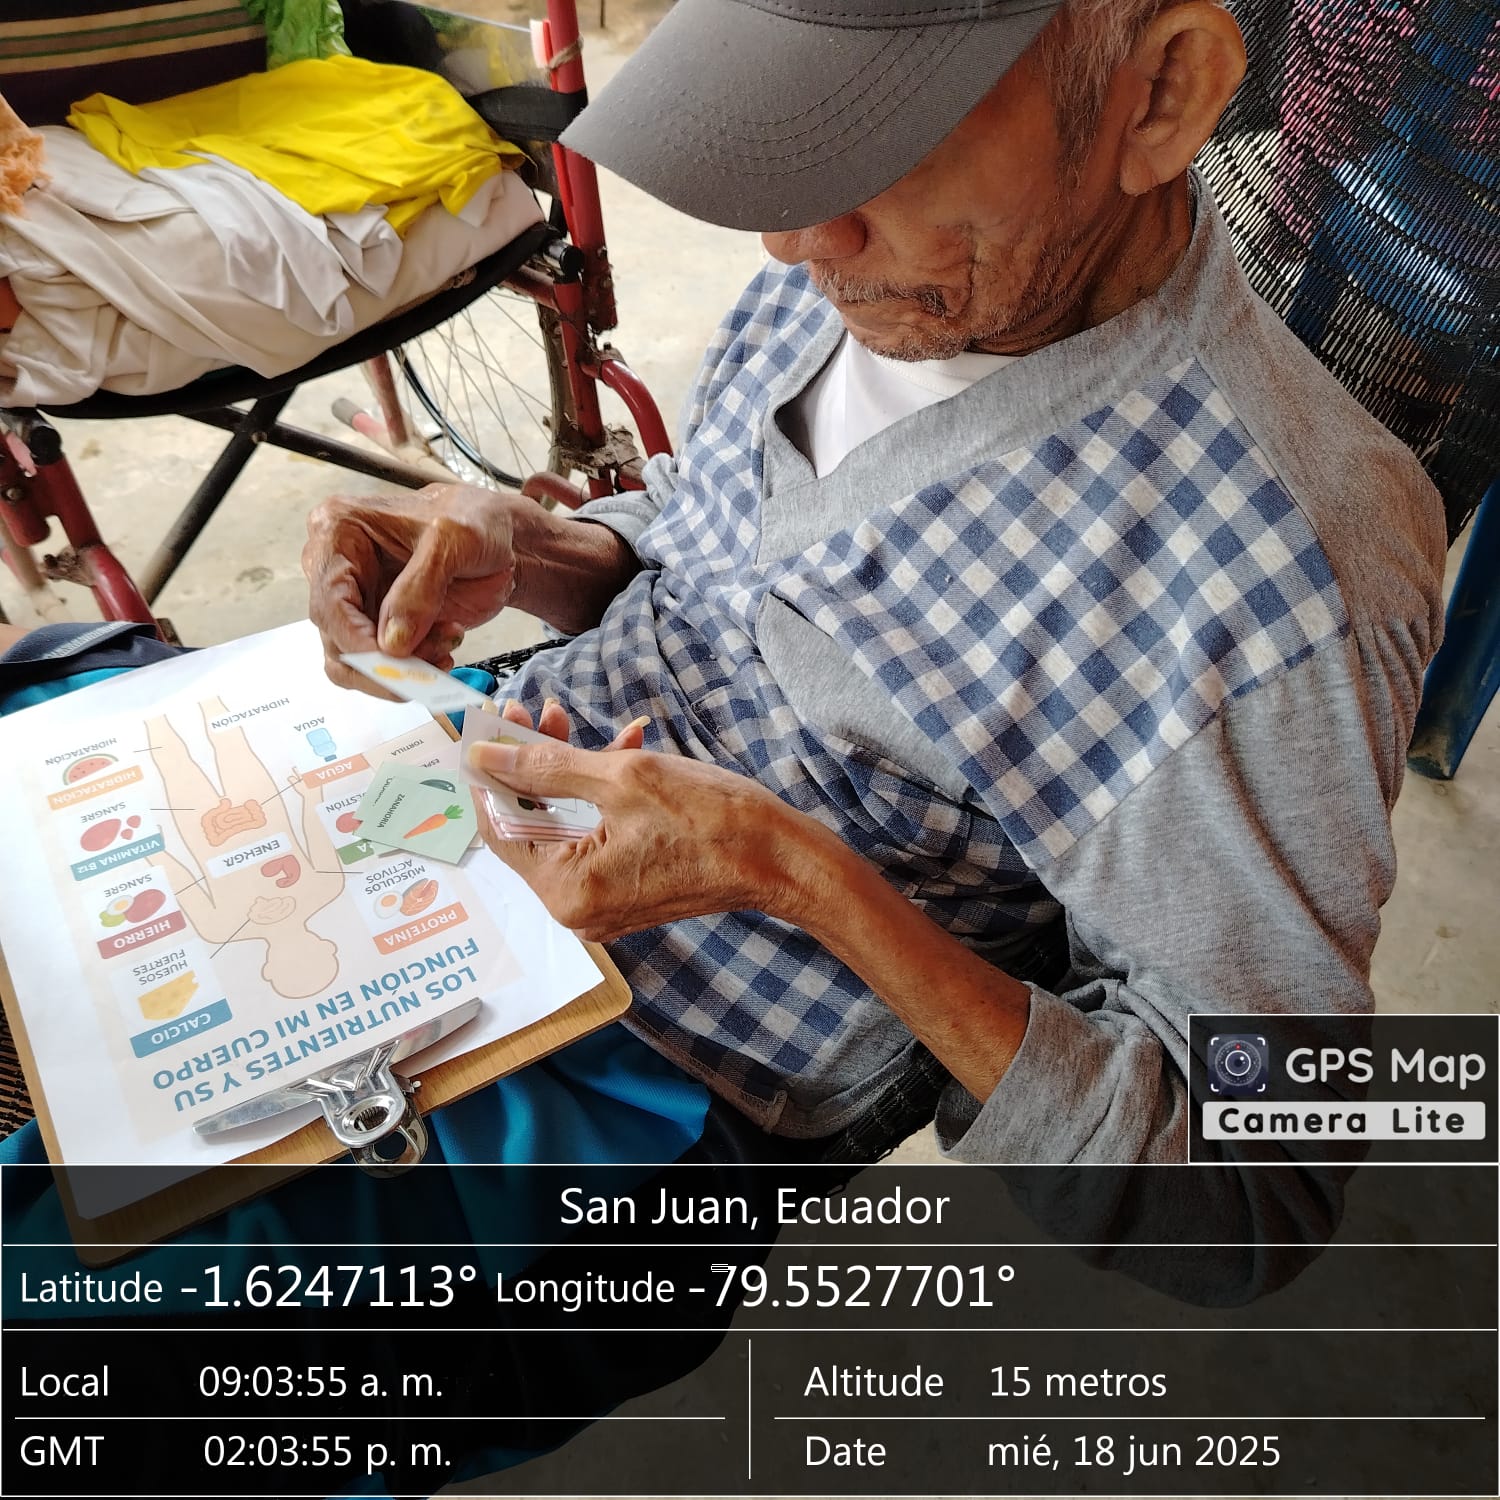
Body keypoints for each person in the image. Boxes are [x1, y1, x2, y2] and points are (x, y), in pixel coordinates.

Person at [299, 0, 1447, 1166]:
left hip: (685, 1062)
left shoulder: (1276, 578)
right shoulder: (888, 268)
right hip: (487, 795)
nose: (791, 243)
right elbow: (717, 548)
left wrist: (790, 872)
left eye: (886, 134)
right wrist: (534, 551)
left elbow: (1247, 1176)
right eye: (802, 129)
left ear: (1163, 93)